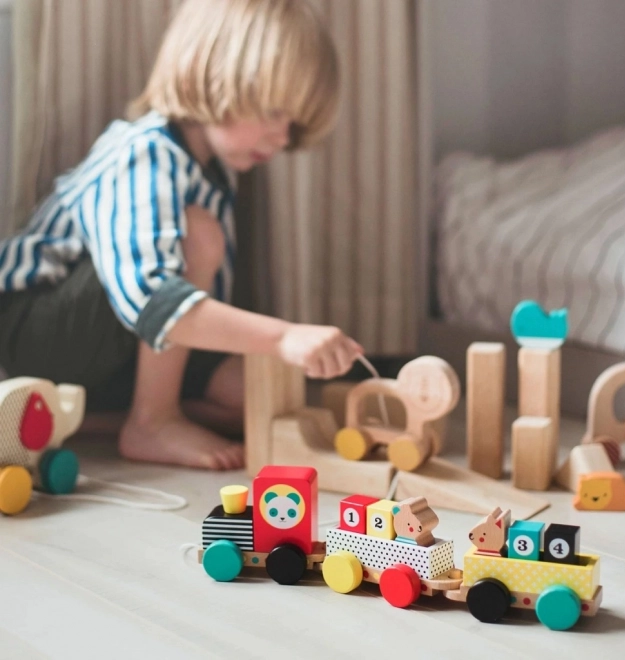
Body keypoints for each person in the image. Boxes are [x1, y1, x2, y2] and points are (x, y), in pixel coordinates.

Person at [0, 0, 363, 471]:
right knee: (200, 235)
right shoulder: (145, 154)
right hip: (41, 332)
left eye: (291, 123)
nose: (281, 137)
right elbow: (154, 299)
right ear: (214, 74)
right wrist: (284, 335)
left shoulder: (216, 172)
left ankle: (93, 418)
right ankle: (151, 420)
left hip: (126, 343)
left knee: (257, 396)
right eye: (274, 111)